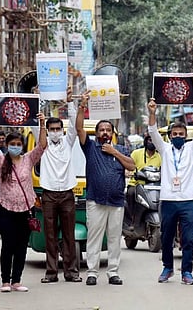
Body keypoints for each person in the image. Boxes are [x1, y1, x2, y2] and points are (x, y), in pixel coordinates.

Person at [77, 94, 135, 286]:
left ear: (112, 133)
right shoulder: (91, 147)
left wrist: (114, 152)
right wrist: (82, 106)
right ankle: (92, 272)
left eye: (107, 130)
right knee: (93, 237)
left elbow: (132, 166)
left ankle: (113, 272)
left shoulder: (121, 149)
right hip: (95, 200)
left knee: (114, 238)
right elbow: (79, 128)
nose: (104, 132)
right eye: (101, 130)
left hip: (117, 201)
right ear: (96, 133)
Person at [0, 111, 47, 292]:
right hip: (6, 209)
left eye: (19, 144)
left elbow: (42, 146)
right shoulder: (0, 160)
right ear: (6, 145)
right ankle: (5, 281)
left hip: (26, 209)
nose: (15, 147)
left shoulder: (28, 159)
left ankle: (17, 281)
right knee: (8, 245)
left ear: (23, 146)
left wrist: (42, 124)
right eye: (12, 144)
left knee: (21, 246)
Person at [148, 97, 193, 285]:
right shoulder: (164, 149)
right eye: (175, 134)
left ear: (186, 135)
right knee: (166, 238)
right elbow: (152, 131)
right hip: (168, 200)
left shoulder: (191, 148)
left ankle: (187, 272)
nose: (178, 136)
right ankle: (168, 268)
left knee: (188, 239)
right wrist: (152, 112)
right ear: (170, 136)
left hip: (188, 201)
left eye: (181, 133)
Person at [39, 87, 82, 283]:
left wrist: (71, 101)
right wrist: (39, 98)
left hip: (67, 194)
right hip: (48, 194)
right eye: (52, 129)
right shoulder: (44, 144)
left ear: (62, 131)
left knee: (69, 235)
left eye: (58, 129)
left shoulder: (68, 142)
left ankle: (71, 272)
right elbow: (34, 125)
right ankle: (51, 273)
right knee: (49, 235)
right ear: (48, 131)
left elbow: (74, 125)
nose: (55, 132)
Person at [125, 134, 161, 230]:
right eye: (149, 140)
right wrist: (129, 173)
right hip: (136, 184)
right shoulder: (136, 153)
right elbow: (128, 165)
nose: (151, 142)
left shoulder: (160, 156)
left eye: (154, 140)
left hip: (154, 186)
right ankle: (133, 220)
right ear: (145, 141)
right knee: (131, 193)